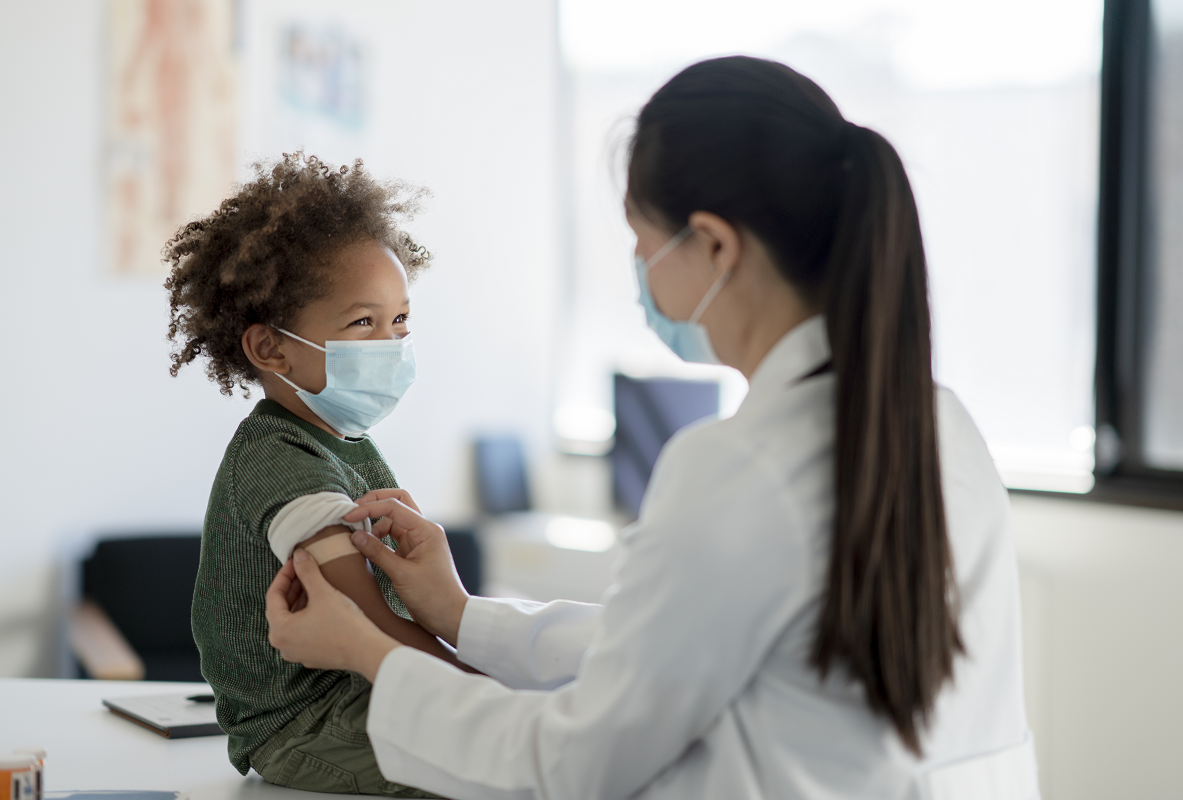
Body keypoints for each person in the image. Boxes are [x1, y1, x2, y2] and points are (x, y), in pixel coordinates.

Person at [265, 57, 1038, 800]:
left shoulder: (739, 468)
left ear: (715, 245)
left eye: (642, 246)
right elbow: (672, 647)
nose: (642, 279)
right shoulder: (942, 424)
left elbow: (574, 762)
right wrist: (461, 615)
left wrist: (366, 654)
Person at [167, 152, 463, 798]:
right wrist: (482, 695)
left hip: (364, 691)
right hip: (305, 725)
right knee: (508, 764)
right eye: (364, 323)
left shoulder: (342, 440)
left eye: (400, 320)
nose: (391, 345)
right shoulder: (281, 460)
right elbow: (367, 622)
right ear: (270, 348)